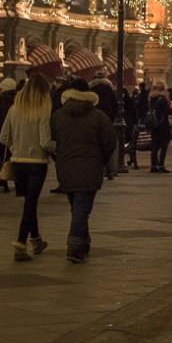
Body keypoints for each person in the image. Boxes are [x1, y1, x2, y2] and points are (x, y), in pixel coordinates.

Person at [51, 78, 117, 263]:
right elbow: (110, 142)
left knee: (77, 207)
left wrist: (60, 158)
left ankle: (84, 243)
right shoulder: (99, 116)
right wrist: (100, 160)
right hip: (90, 167)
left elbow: (53, 139)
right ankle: (74, 246)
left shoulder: (58, 115)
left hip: (65, 168)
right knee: (81, 208)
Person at [0, 73, 55, 261]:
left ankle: (37, 239)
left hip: (18, 162)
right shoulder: (43, 109)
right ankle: (21, 244)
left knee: (29, 202)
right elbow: (45, 142)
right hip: (37, 164)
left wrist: (16, 146)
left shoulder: (14, 109)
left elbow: (3, 137)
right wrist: (59, 147)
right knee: (30, 204)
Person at [146, 82, 172, 174]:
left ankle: (153, 165)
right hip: (163, 125)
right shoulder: (163, 99)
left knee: (155, 145)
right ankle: (161, 165)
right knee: (164, 145)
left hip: (154, 125)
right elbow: (168, 111)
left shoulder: (151, 99)